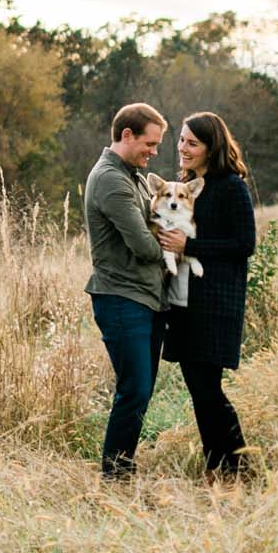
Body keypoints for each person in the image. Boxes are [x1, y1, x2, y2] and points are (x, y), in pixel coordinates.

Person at [159, 111, 258, 482]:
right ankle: (218, 467)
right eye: (181, 140)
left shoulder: (231, 186)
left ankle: (236, 465)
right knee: (199, 392)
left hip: (214, 304)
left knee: (208, 390)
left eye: (192, 143)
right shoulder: (185, 184)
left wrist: (192, 245)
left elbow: (244, 244)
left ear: (210, 147)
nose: (183, 148)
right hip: (184, 303)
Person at [83, 102, 168, 479]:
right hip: (121, 298)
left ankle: (122, 466)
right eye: (150, 144)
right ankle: (115, 476)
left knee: (141, 390)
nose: (154, 152)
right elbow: (144, 246)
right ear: (127, 135)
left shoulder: (131, 174)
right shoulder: (111, 180)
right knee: (133, 390)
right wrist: (175, 244)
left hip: (143, 298)